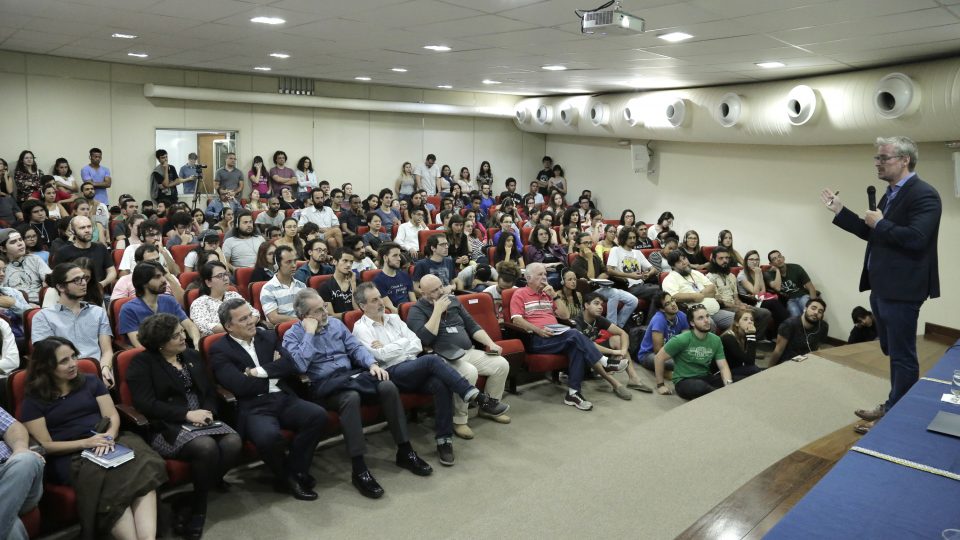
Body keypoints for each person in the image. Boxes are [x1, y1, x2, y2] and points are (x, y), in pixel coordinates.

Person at [821, 136, 942, 431]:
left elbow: (917, 238)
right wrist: (841, 210)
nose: (877, 163)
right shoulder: (891, 194)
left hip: (904, 288)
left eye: (883, 158)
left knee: (902, 354)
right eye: (877, 158)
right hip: (881, 286)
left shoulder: (925, 194)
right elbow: (874, 233)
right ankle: (894, 402)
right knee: (891, 349)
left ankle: (897, 416)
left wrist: (881, 224)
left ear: (904, 160)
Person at [282, 288, 434, 499]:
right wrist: (309, 333)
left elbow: (355, 348)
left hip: (351, 377)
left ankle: (405, 450)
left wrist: (371, 364)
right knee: (350, 398)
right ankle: (359, 468)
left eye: (324, 307)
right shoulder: (293, 335)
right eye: (317, 311)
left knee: (387, 385)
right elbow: (298, 366)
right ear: (303, 317)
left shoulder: (335, 324)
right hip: (325, 387)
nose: (325, 313)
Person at [20, 337, 166, 540]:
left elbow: (112, 416)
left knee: (144, 464)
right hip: (70, 455)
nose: (73, 364)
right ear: (46, 366)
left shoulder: (90, 381)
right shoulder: (34, 400)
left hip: (109, 441)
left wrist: (109, 436)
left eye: (73, 357)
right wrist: (86, 443)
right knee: (114, 480)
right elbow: (46, 445)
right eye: (64, 361)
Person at [350, 283, 506, 465]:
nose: (380, 302)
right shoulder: (360, 328)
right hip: (390, 374)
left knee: (441, 384)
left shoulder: (394, 319)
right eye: (374, 300)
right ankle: (475, 396)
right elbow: (380, 356)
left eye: (379, 297)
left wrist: (391, 347)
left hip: (411, 366)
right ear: (362, 306)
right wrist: (402, 345)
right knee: (432, 360)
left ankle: (444, 441)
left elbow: (416, 343)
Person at [126, 314, 241, 539]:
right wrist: (187, 414)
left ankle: (192, 496)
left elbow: (208, 390)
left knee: (233, 442)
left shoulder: (190, 355)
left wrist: (208, 412)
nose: (183, 337)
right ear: (160, 343)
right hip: (167, 425)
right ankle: (199, 508)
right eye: (176, 336)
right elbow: (146, 404)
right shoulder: (142, 363)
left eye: (182, 331)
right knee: (206, 447)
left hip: (201, 416)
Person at [210, 298, 328, 501]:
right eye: (243, 319)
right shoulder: (219, 349)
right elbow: (239, 386)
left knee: (317, 415)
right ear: (228, 326)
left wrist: (255, 372)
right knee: (268, 437)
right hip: (253, 407)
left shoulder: (267, 336)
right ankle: (290, 478)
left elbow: (289, 365)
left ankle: (294, 471)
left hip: (283, 398)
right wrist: (272, 376)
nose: (250, 321)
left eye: (250, 316)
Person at [406, 276, 512, 438]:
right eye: (434, 290)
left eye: (441, 287)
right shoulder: (416, 310)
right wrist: (437, 310)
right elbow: (424, 339)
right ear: (423, 293)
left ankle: (488, 408)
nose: (440, 291)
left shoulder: (453, 301)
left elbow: (472, 325)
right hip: (442, 357)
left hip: (466, 351)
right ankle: (459, 420)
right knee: (469, 372)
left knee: (501, 364)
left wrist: (490, 343)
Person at [509, 263, 624, 411]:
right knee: (575, 334)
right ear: (528, 277)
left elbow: (565, 315)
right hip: (535, 338)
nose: (544, 278)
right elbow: (516, 320)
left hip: (556, 334)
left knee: (576, 347)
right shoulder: (520, 294)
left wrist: (555, 296)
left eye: (545, 274)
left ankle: (573, 393)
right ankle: (604, 361)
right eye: (540, 275)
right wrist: (537, 330)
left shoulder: (548, 294)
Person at [31, 262, 115, 385]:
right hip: (64, 377)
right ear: (61, 287)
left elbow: (107, 350)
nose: (84, 283)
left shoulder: (98, 312)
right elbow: (48, 357)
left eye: (84, 278)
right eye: (76, 280)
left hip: (97, 370)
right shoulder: (43, 317)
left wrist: (105, 369)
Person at [575, 292, 652, 396]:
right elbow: (588, 344)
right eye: (596, 303)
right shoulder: (577, 321)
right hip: (581, 359)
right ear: (586, 305)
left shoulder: (598, 319)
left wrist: (623, 351)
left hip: (597, 355)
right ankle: (616, 384)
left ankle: (633, 379)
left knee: (617, 339)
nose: (600, 307)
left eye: (601, 304)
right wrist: (614, 351)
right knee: (591, 352)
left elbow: (623, 333)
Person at [653, 305, 733, 400]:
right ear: (692, 323)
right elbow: (658, 358)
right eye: (700, 318)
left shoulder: (716, 340)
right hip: (684, 381)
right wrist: (660, 385)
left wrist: (729, 386)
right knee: (701, 386)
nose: (706, 320)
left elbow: (723, 366)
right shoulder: (681, 339)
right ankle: (722, 397)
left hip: (705, 377)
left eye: (707, 316)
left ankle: (722, 395)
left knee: (737, 380)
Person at [119, 261, 201, 348]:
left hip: (177, 351)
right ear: (143, 282)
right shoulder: (128, 309)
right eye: (157, 277)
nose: (164, 280)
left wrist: (197, 343)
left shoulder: (169, 300)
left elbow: (189, 325)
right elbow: (139, 345)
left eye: (163, 275)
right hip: (151, 357)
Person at [570, 233, 638, 329]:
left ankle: (619, 326)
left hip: (603, 287)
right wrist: (589, 259)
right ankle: (611, 326)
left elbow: (606, 272)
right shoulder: (576, 262)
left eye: (590, 243)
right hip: (590, 291)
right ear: (577, 245)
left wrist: (597, 279)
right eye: (585, 243)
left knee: (633, 300)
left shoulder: (595, 256)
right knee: (614, 293)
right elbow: (590, 278)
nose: (589, 246)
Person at [706, 247, 772, 339]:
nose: (725, 261)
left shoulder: (731, 276)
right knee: (743, 316)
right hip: (722, 308)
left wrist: (743, 304)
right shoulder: (709, 278)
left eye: (727, 258)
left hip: (734, 305)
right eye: (721, 258)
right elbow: (719, 301)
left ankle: (754, 340)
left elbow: (736, 297)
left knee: (765, 313)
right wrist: (738, 307)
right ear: (713, 260)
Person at [0, 406, 44, 540]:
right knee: (11, 526)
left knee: (27, 459)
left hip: (15, 475)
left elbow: (13, 427)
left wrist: (20, 448)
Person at [662, 251, 734, 331]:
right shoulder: (670, 279)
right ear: (673, 266)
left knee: (737, 320)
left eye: (684, 258)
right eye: (679, 261)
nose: (684, 262)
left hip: (715, 311)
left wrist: (698, 296)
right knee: (709, 324)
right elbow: (673, 296)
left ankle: (723, 340)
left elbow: (712, 288)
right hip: (696, 315)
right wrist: (694, 296)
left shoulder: (695, 273)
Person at [53, 216, 116, 290]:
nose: (87, 230)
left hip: (99, 292)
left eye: (89, 227)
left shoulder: (100, 248)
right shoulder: (63, 252)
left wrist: (102, 284)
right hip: (73, 293)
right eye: (82, 228)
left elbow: (112, 271)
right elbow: (58, 278)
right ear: (73, 231)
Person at [112, 244, 184, 304]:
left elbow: (184, 305)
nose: (156, 264)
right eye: (151, 261)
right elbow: (115, 309)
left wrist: (169, 277)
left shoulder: (169, 277)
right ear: (139, 263)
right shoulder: (125, 281)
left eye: (157, 259)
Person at [737, 249, 789, 330]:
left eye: (757, 259)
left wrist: (757, 291)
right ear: (746, 261)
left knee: (782, 299)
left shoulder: (758, 271)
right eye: (751, 259)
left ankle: (782, 331)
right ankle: (786, 329)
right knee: (773, 303)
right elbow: (756, 292)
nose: (755, 262)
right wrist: (757, 274)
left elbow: (763, 290)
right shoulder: (742, 276)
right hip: (748, 301)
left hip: (759, 299)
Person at [606, 226, 660, 302]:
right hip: (627, 287)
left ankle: (651, 314)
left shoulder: (637, 252)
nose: (633, 240)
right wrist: (630, 275)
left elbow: (653, 269)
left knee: (658, 295)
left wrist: (648, 274)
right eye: (629, 238)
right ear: (623, 238)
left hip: (642, 285)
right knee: (659, 291)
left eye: (634, 237)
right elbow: (609, 270)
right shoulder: (615, 250)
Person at [769, 298, 829, 366]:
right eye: (813, 308)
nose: (816, 312)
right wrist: (768, 370)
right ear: (805, 309)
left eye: (820, 311)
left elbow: (818, 347)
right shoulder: (788, 325)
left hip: (808, 362)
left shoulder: (823, 326)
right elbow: (778, 350)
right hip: (787, 363)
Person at [636, 292, 688, 371]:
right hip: (649, 354)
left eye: (672, 300)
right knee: (676, 363)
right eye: (667, 304)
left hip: (671, 352)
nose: (673, 304)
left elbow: (686, 341)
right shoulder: (658, 320)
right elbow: (658, 350)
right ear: (661, 309)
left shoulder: (682, 316)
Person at [190, 261, 244, 337]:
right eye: (220, 276)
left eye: (226, 274)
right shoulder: (200, 303)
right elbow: (204, 326)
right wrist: (240, 325)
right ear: (208, 282)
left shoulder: (234, 295)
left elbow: (254, 313)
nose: (226, 278)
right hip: (220, 341)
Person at [260, 245, 306, 326]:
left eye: (295, 261)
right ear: (277, 264)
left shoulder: (301, 286)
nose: (294, 265)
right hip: (284, 331)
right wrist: (301, 321)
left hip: (305, 326)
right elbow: (273, 318)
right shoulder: (268, 289)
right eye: (288, 262)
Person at [0, 228, 50, 303]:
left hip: (44, 302)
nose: (20, 243)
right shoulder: (1, 266)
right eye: (13, 242)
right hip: (16, 306)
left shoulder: (34, 259)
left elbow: (50, 278)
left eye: (20, 239)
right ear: (3, 249)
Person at [766, 250, 818, 317]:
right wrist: (777, 270)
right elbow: (777, 288)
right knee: (795, 315)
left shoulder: (796, 268)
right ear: (771, 264)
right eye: (774, 259)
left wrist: (814, 305)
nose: (778, 259)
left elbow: (811, 287)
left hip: (802, 296)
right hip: (790, 301)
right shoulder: (770, 274)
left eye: (779, 256)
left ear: (783, 258)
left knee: (808, 309)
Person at [720, 308, 763, 380]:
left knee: (759, 371)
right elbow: (749, 361)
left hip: (736, 367)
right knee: (754, 370)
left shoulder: (745, 335)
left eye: (751, 320)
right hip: (724, 372)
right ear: (737, 323)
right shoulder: (728, 337)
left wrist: (750, 336)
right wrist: (751, 335)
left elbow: (748, 360)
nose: (750, 322)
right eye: (745, 319)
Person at [317, 248, 357, 318]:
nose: (348, 265)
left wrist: (353, 284)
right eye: (345, 261)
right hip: (339, 325)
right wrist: (351, 315)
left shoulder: (356, 281)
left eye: (351, 262)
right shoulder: (325, 287)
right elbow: (331, 315)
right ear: (335, 261)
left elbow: (359, 310)